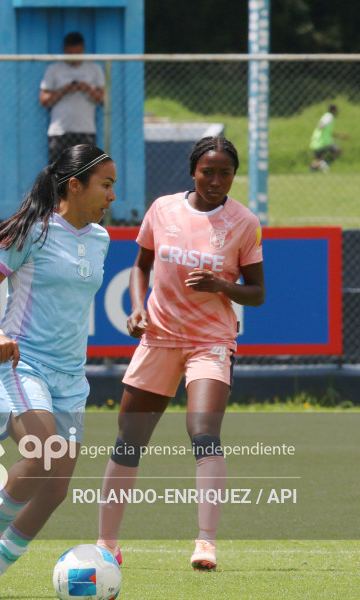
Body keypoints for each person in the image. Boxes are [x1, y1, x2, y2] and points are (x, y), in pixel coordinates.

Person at [95, 136, 265, 572]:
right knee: (129, 440)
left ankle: (206, 542)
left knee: (203, 431)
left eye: (225, 173)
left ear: (234, 176)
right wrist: (137, 308)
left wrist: (222, 285)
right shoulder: (163, 209)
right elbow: (141, 266)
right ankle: (106, 544)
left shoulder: (244, 222)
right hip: (159, 337)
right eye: (208, 171)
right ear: (193, 171)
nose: (216, 180)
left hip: (211, 341)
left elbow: (258, 292)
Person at [0, 145, 116, 600]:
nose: (111, 195)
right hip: (20, 362)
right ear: (75, 185)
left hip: (71, 378)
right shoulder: (33, 230)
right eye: (105, 185)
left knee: (54, 490)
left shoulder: (101, 239)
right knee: (43, 452)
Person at [40, 32, 105, 164]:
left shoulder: (94, 68)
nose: (74, 58)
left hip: (85, 129)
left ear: (83, 50)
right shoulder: (54, 69)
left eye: (77, 53)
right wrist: (64, 90)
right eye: (70, 54)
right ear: (64, 50)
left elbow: (103, 100)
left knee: (85, 171)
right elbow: (44, 100)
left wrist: (87, 89)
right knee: (58, 170)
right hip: (60, 130)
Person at [309, 104, 348, 173]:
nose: (337, 112)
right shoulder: (329, 117)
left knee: (318, 161)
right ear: (333, 110)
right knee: (337, 152)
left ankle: (315, 168)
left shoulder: (326, 116)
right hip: (323, 142)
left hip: (317, 141)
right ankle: (324, 164)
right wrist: (321, 128)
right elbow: (320, 125)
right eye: (336, 110)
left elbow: (328, 132)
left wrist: (340, 136)